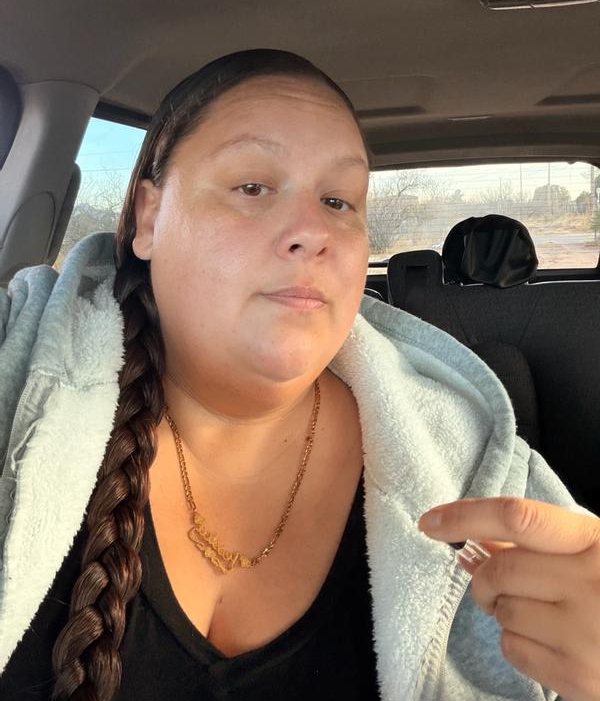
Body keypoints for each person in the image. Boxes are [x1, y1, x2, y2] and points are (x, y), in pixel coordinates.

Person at [0, 49, 598, 701]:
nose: (314, 231)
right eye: (253, 187)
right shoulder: (19, 384)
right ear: (149, 217)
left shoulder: (477, 464)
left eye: (339, 200)